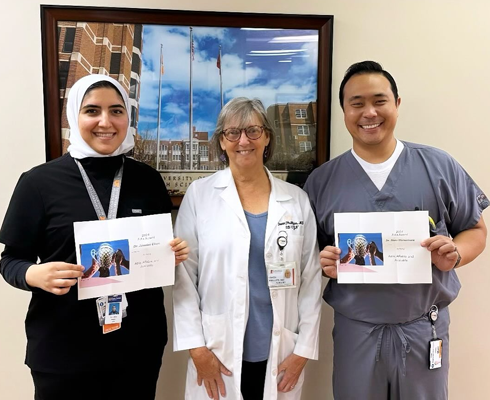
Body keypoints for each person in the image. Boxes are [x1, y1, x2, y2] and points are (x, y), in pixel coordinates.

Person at [304, 61, 488, 400]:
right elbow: (310, 253)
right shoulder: (322, 181)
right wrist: (323, 260)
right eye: (356, 103)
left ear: (397, 104)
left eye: (380, 100)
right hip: (356, 331)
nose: (369, 112)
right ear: (343, 110)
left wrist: (455, 254)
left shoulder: (438, 166)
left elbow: (476, 230)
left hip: (423, 328)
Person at [0, 74, 189, 400]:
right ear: (75, 116)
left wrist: (171, 253)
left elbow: (152, 253)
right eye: (92, 111)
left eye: (116, 111)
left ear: (128, 118)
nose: (106, 121)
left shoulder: (148, 180)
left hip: (137, 350)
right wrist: (34, 274)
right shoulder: (38, 183)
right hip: (63, 352)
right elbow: (10, 261)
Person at [173, 97, 322, 400]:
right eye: (233, 133)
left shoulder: (295, 200)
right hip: (218, 350)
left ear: (267, 137)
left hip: (280, 352)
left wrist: (304, 350)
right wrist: (197, 350)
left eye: (253, 131)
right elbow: (183, 278)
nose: (244, 141)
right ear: (222, 141)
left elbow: (312, 280)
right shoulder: (200, 196)